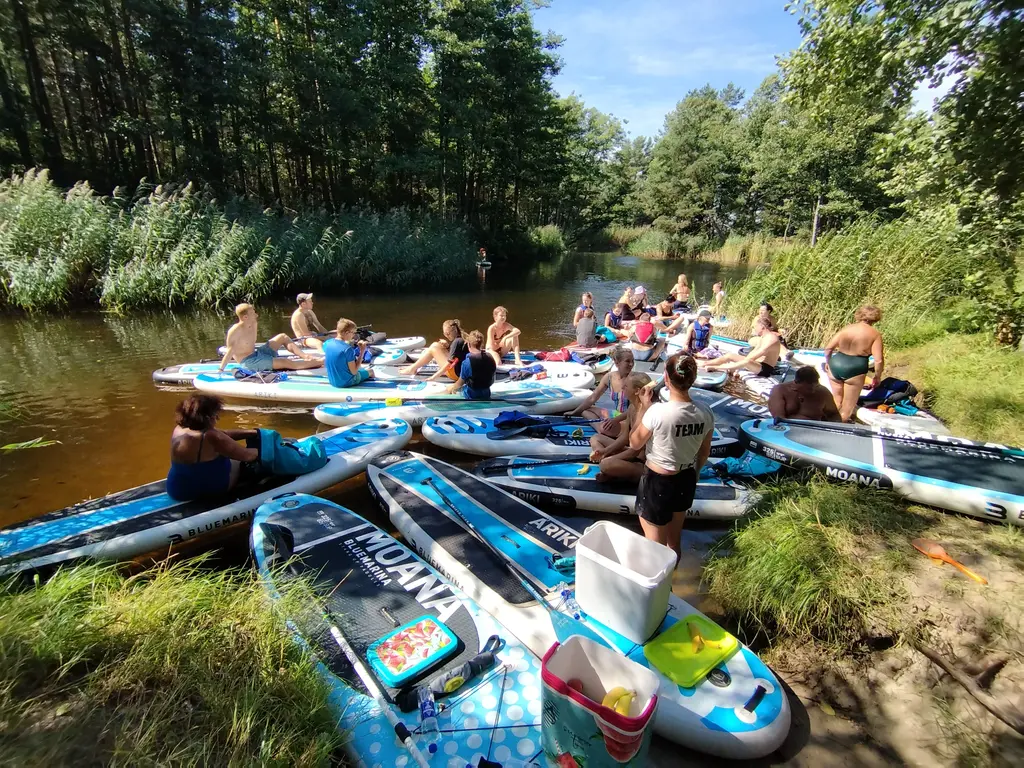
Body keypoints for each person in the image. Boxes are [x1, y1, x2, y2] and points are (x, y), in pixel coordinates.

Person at [629, 353, 715, 561]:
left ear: (666, 379)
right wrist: (695, 474)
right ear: (692, 379)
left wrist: (643, 407)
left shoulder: (657, 412)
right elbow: (704, 452)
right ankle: (670, 584)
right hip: (685, 478)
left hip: (657, 482)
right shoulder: (705, 412)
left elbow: (634, 443)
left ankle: (660, 590)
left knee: (654, 549)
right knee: (673, 542)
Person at [167, 394, 259, 501]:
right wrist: (270, 448)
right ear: (206, 417)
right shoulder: (210, 436)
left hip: (176, 490)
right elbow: (248, 455)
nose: (218, 418)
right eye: (215, 415)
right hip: (202, 491)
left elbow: (223, 434)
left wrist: (253, 433)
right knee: (242, 462)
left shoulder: (180, 429)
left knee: (226, 454)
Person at [588, 372, 653, 482]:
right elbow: (624, 438)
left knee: (606, 464)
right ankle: (612, 469)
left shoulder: (648, 412)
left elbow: (634, 451)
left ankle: (612, 471)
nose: (622, 387)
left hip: (642, 464)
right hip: (631, 455)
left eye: (626, 386)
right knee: (595, 438)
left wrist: (609, 458)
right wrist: (605, 451)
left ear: (637, 391)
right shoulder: (632, 407)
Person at [824, 305, 885, 422]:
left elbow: (828, 348)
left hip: (836, 363)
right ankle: (838, 429)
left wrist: (828, 362)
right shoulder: (875, 334)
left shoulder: (846, 328)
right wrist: (877, 376)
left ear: (859, 315)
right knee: (847, 409)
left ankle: (823, 425)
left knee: (836, 401)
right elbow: (878, 360)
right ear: (876, 318)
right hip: (855, 367)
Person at [219, 303, 320, 372]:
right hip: (248, 362)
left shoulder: (253, 323)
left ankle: (306, 357)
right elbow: (230, 352)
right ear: (245, 317)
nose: (256, 315)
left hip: (257, 353)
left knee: (282, 337)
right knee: (285, 362)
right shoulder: (235, 331)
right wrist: (221, 369)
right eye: (253, 313)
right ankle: (322, 362)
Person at [569, 347, 635, 431]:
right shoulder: (609, 377)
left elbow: (634, 409)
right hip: (616, 414)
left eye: (632, 361)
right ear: (617, 363)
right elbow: (593, 398)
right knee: (585, 411)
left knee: (606, 427)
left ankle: (604, 429)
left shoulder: (634, 379)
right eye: (627, 361)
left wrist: (615, 420)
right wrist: (574, 412)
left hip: (629, 418)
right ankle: (600, 428)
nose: (631, 364)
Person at [703, 317, 781, 376]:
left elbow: (754, 356)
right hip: (756, 364)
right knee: (730, 355)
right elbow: (753, 353)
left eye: (756, 327)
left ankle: (716, 367)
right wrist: (739, 362)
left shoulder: (771, 339)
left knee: (746, 361)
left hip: (765, 369)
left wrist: (738, 366)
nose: (755, 329)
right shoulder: (763, 337)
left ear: (762, 327)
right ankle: (706, 363)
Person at [399, 319, 468, 380]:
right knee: (436, 345)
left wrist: (434, 377)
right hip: (460, 371)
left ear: (453, 331)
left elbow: (449, 364)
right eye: (445, 334)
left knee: (433, 347)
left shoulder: (456, 342)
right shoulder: (461, 339)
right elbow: (458, 355)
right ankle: (412, 368)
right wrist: (447, 347)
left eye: (447, 333)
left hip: (456, 374)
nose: (446, 335)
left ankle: (411, 369)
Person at [768, 366, 842, 422]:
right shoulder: (780, 390)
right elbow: (778, 418)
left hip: (813, 431)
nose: (813, 391)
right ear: (797, 383)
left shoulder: (822, 392)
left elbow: (834, 415)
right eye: (809, 388)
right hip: (787, 429)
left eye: (815, 387)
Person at [323, 318, 375, 388]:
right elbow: (354, 372)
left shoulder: (327, 343)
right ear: (347, 333)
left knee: (360, 369)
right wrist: (362, 351)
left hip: (333, 381)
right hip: (346, 382)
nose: (353, 335)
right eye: (353, 333)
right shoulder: (347, 349)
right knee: (371, 371)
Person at [447, 330, 497, 399]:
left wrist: (451, 388)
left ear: (468, 344)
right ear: (481, 344)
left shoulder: (467, 362)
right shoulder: (490, 357)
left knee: (451, 389)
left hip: (471, 395)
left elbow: (459, 384)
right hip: (486, 393)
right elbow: (493, 378)